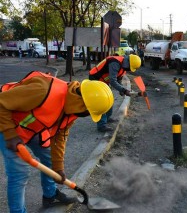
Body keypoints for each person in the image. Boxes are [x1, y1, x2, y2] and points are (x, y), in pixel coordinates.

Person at [0, 71, 114, 212]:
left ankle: (50, 195)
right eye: (88, 112)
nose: (86, 116)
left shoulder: (72, 108)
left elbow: (59, 137)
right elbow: (1, 103)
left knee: (49, 157)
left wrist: (58, 167)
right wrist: (10, 134)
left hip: (30, 126)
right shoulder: (42, 90)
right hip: (5, 123)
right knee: (20, 173)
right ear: (82, 104)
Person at [89, 54, 142, 132]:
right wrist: (124, 90)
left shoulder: (123, 68)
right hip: (95, 78)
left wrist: (121, 90)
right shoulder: (115, 63)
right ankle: (101, 125)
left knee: (109, 98)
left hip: (103, 80)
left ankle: (107, 118)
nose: (129, 70)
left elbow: (118, 80)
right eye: (130, 68)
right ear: (128, 63)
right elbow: (113, 81)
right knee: (102, 101)